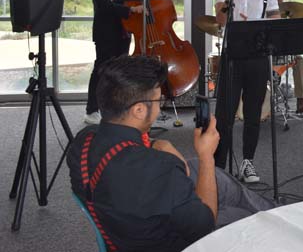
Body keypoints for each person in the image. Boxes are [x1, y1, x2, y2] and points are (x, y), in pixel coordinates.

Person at [67, 56, 274, 252]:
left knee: (221, 181)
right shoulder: (158, 168)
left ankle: (278, 212)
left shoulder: (82, 141)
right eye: (158, 101)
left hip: (128, 221)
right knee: (247, 218)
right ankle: (281, 218)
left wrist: (157, 143)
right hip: (179, 242)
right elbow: (205, 225)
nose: (160, 107)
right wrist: (206, 156)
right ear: (139, 110)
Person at [214, 0, 280, 183]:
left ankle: (247, 162)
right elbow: (221, 20)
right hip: (232, 56)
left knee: (253, 113)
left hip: (258, 58)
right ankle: (219, 167)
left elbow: (275, 22)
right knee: (224, 114)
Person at [84, 0, 145, 125]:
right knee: (102, 69)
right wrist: (130, 10)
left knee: (120, 71)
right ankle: (91, 110)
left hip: (124, 28)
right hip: (107, 28)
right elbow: (103, 4)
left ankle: (114, 109)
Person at [266, 0, 303, 114]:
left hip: (285, 52)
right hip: (268, 53)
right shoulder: (262, 10)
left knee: (300, 60)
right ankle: (265, 102)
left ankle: (300, 99)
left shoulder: (290, 12)